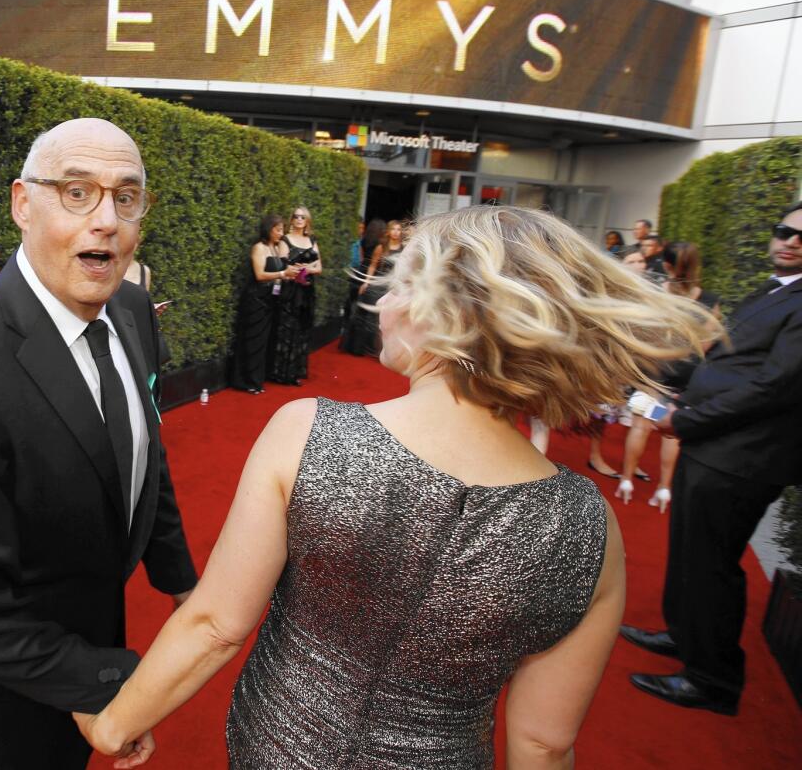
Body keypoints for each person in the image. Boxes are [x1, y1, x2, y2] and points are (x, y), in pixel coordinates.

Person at [73, 205, 719, 769]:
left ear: (444, 312)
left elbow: (215, 624)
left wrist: (115, 722)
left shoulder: (308, 431)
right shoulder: (589, 527)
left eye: (399, 283)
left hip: (274, 749)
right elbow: (544, 744)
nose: (380, 301)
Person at [0, 118, 198, 769]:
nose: (106, 220)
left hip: (84, 644)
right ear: (21, 204)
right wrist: (109, 683)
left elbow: (145, 450)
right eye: (76, 192)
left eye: (126, 197)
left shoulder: (132, 310)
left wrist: (181, 584)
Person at [624, 202, 802, 716]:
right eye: (783, 230)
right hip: (715, 445)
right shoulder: (774, 287)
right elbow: (734, 363)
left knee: (712, 566)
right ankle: (687, 638)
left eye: (801, 237)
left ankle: (713, 680)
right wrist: (685, 402)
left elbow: (777, 387)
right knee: (689, 556)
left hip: (740, 457)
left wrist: (685, 422)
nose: (789, 241)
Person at [615, 242, 721, 511]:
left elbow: (639, 330)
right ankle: (664, 488)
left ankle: (626, 481)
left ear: (666, 266)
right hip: (687, 373)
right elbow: (707, 344)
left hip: (654, 369)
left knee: (641, 424)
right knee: (671, 433)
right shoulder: (709, 301)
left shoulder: (651, 293)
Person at [230, 214, 299, 394]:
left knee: (264, 341)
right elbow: (259, 275)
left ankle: (257, 380)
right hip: (255, 300)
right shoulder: (258, 248)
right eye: (277, 229)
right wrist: (283, 274)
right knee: (252, 339)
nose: (280, 233)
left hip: (270, 300)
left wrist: (290, 271)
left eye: (282, 230)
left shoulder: (276, 249)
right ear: (268, 229)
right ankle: (246, 381)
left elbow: (283, 268)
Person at [267, 206, 322, 385]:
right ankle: (282, 372)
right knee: (286, 327)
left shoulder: (312, 240)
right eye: (296, 217)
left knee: (302, 328)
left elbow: (319, 267)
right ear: (291, 220)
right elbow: (283, 266)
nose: (299, 220)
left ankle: (296, 370)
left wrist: (304, 269)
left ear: (307, 221)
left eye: (303, 217)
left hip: (307, 290)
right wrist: (301, 269)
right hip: (290, 290)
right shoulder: (285, 240)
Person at [344, 219, 406, 356]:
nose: (396, 232)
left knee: (389, 318)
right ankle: (363, 347)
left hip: (393, 285)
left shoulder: (404, 249)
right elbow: (373, 265)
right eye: (393, 229)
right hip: (377, 283)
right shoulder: (381, 247)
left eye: (398, 229)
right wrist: (366, 282)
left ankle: (382, 350)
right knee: (369, 317)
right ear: (388, 232)